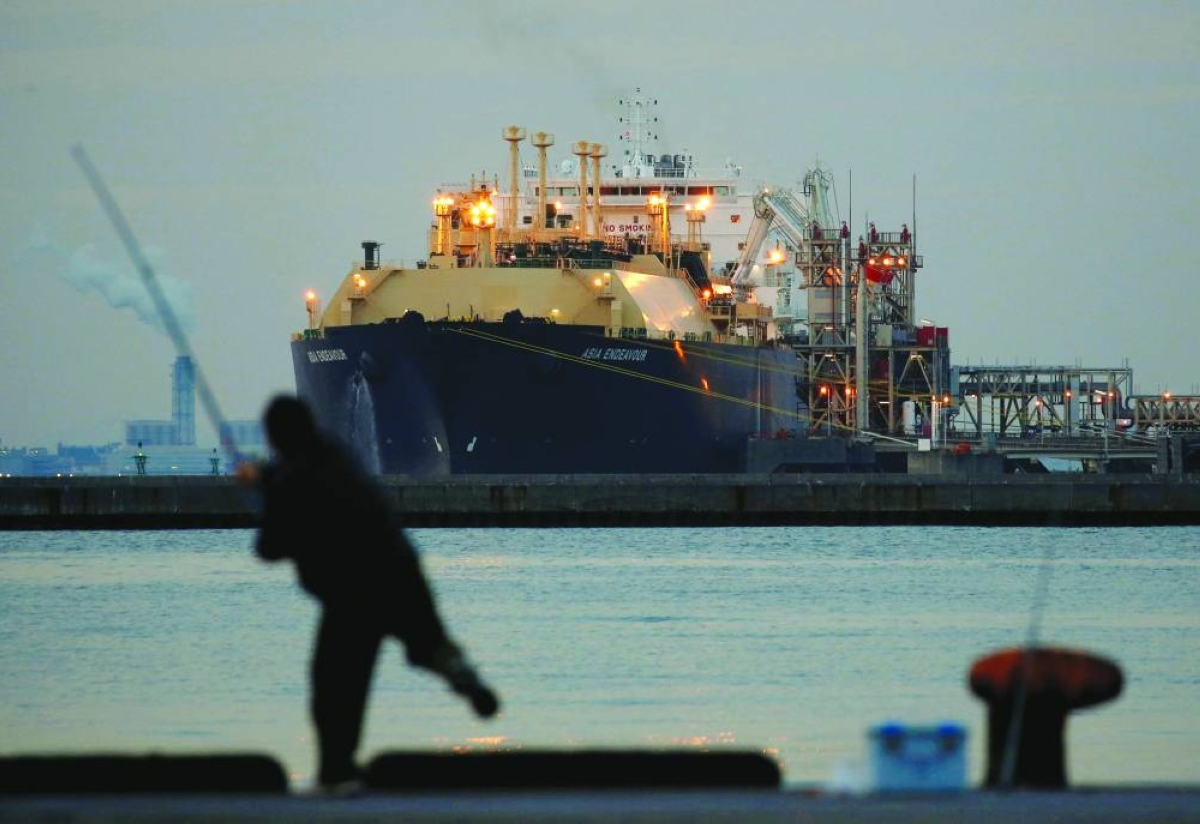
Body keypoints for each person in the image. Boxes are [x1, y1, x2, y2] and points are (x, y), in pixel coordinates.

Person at [242, 395, 499, 792]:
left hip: (354, 591)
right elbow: (302, 475)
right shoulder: (334, 453)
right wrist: (268, 479)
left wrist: (264, 490)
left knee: (334, 680)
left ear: (276, 437)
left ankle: (336, 767)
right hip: (400, 571)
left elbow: (270, 547)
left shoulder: (293, 481)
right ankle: (463, 678)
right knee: (428, 645)